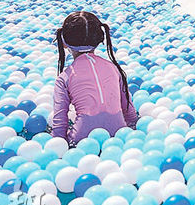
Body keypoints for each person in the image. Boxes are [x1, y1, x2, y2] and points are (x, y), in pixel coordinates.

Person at [51, 11, 138, 146]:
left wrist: (58, 146)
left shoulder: (64, 77)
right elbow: (130, 113)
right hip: (119, 135)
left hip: (81, 141)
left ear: (64, 42)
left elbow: (59, 124)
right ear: (100, 39)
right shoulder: (113, 68)